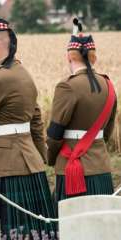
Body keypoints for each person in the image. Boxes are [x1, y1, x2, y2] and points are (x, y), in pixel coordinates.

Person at [0, 17, 57, 239]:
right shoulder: (22, 72)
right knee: (35, 232)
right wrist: (40, 154)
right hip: (30, 162)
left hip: (3, 166)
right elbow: (36, 119)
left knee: (5, 232)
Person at [46, 19, 117, 202]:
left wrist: (51, 159)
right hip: (100, 166)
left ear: (69, 57)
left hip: (72, 170)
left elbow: (55, 133)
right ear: (94, 57)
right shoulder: (108, 85)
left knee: (71, 225)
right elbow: (107, 131)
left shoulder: (67, 86)